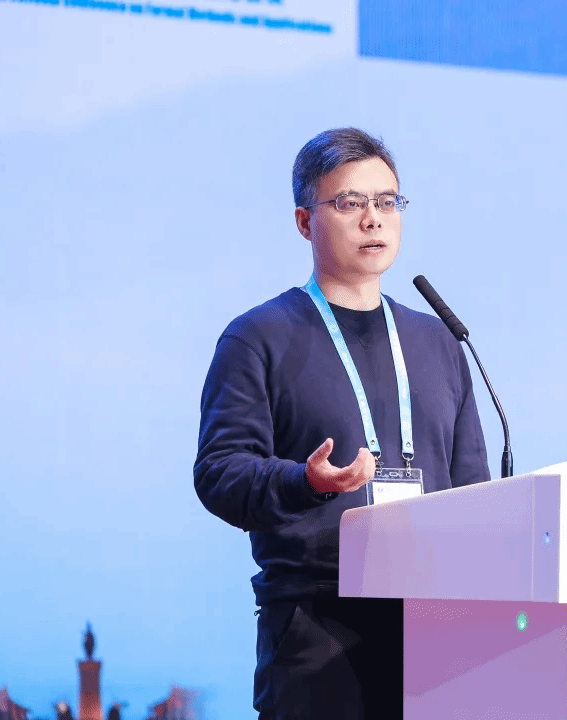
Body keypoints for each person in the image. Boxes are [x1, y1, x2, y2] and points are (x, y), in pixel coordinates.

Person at [193, 127, 491, 719]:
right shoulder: (258, 337)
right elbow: (219, 472)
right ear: (305, 222)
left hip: (436, 627)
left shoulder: (439, 341)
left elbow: (474, 488)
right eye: (350, 202)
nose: (373, 219)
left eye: (387, 201)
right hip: (317, 627)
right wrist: (304, 482)